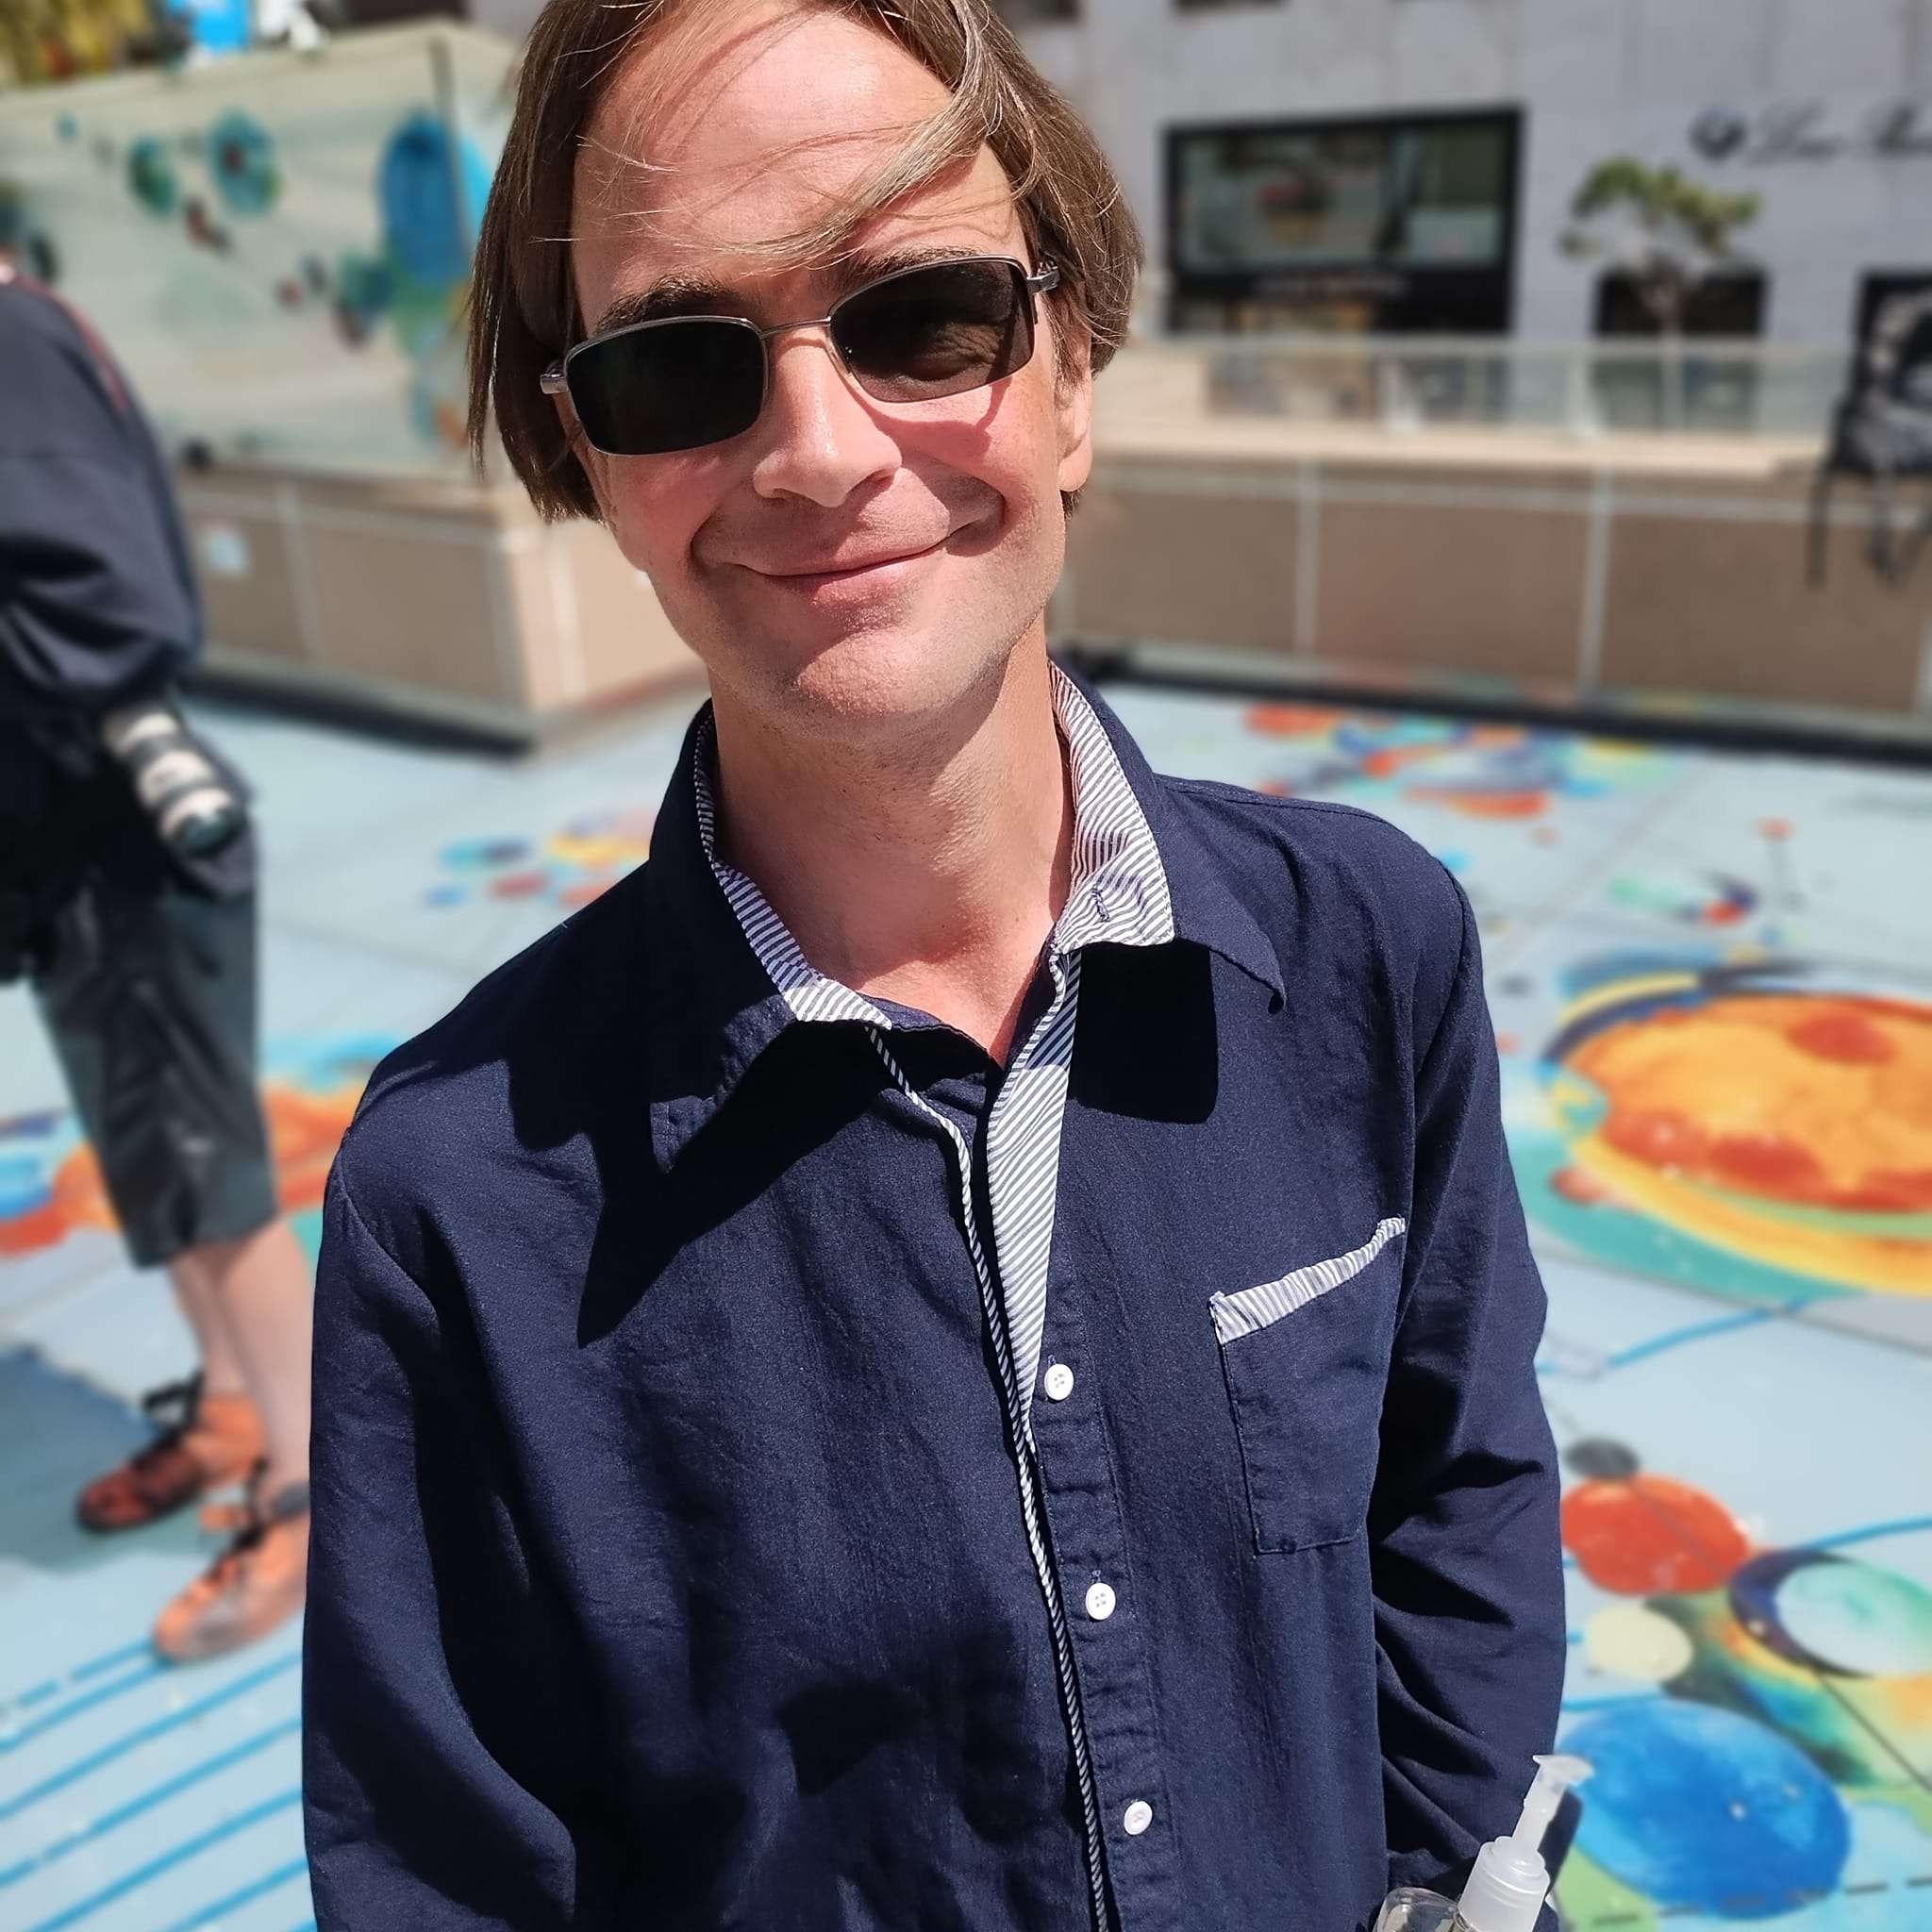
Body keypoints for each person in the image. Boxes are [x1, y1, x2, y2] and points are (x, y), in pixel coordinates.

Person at [304, 0, 1565, 1923]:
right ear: (593, 456)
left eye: (924, 316)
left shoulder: (1370, 956)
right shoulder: (451, 1207)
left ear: (1072, 369)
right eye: (678, 362)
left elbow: (1456, 1499)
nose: (817, 453)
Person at [0, 244, 312, 1661]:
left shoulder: (11, 342)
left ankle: (313, 1491)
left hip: (127, 833)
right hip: (72, 850)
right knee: (158, 1168)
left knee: (212, 1181)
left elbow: (114, 603)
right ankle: (238, 1409)